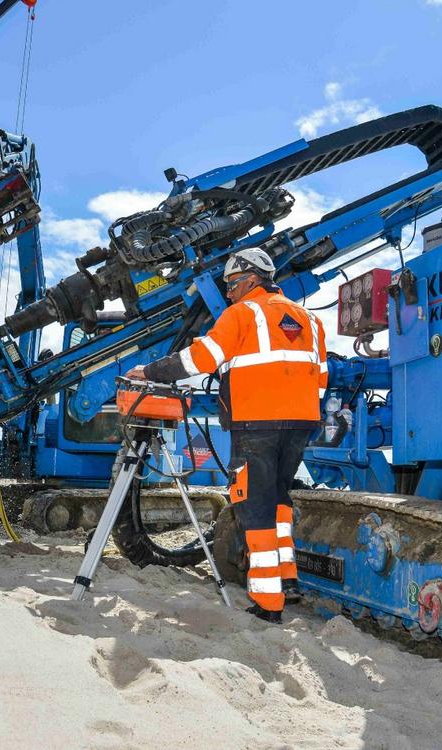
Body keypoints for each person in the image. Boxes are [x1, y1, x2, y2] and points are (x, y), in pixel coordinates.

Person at [127, 248, 326, 623]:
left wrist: (150, 371)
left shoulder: (242, 314)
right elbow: (321, 378)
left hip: (257, 426)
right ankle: (288, 580)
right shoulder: (311, 321)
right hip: (301, 424)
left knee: (255, 508)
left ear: (252, 280)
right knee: (279, 500)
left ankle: (269, 604)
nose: (229, 292)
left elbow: (197, 360)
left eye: (233, 284)